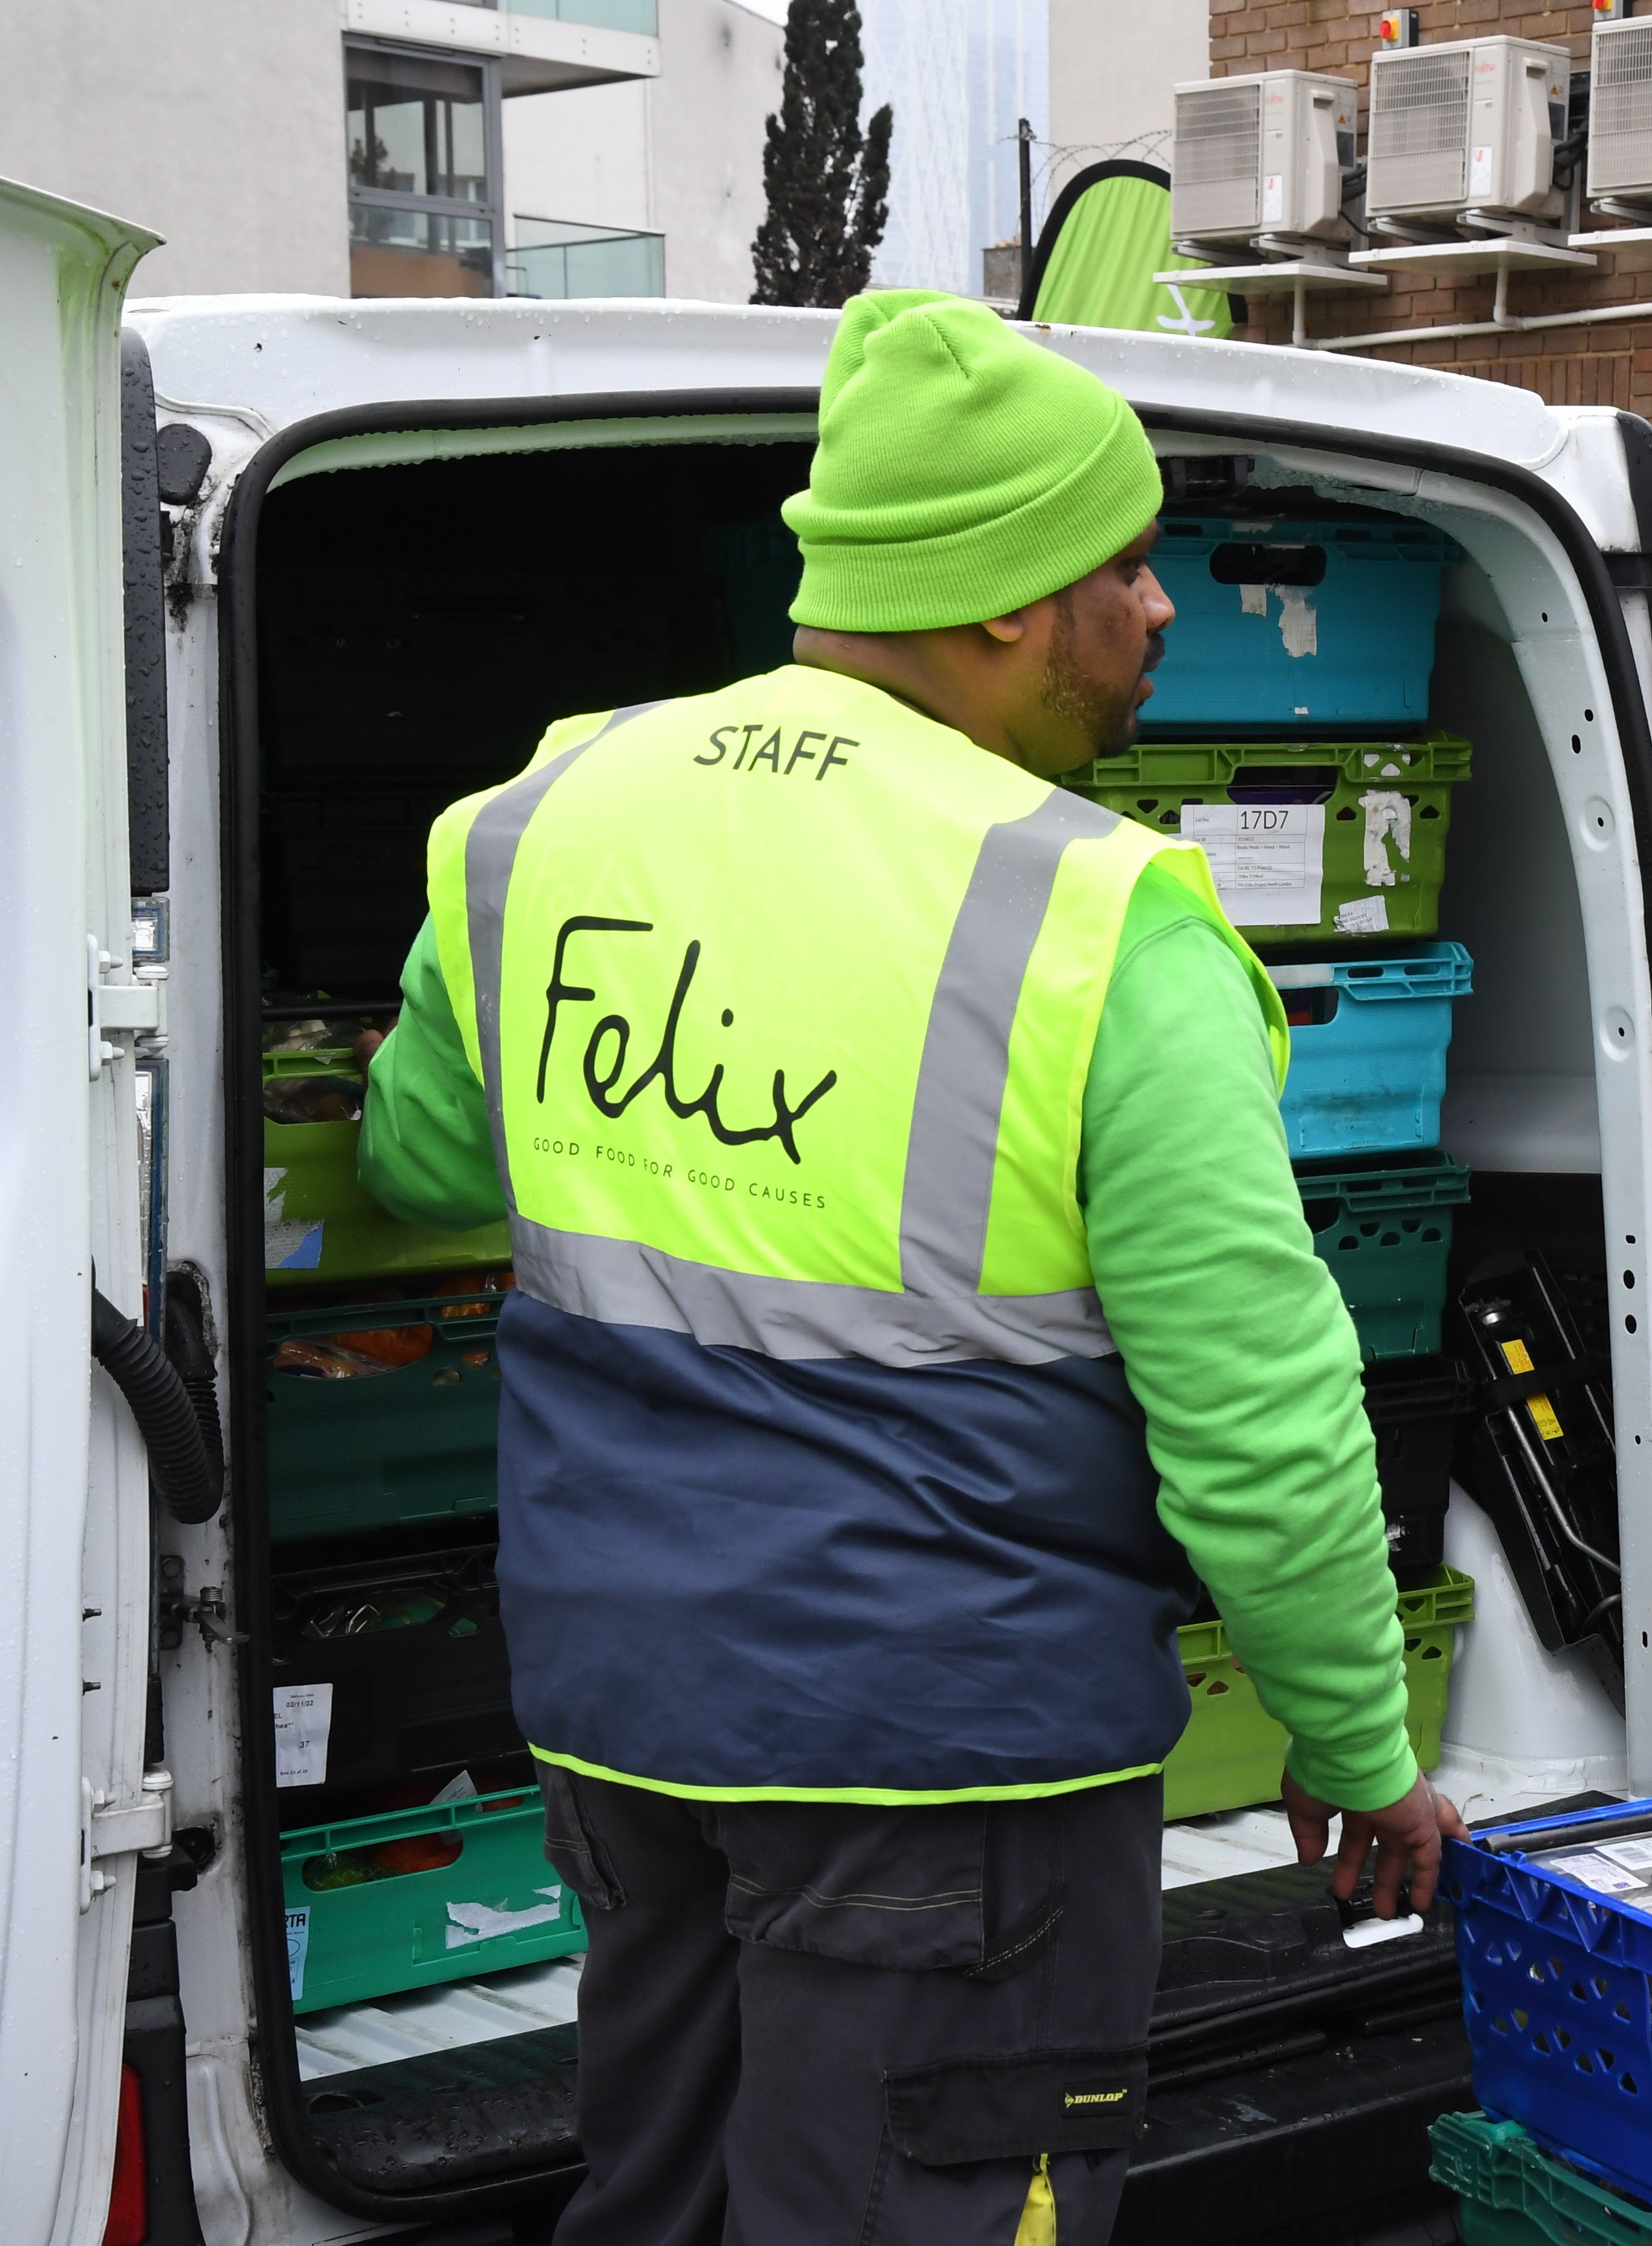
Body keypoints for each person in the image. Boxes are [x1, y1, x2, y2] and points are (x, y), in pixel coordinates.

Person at [356, 290, 1463, 2245]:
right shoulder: (1102, 921)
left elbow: (425, 1153)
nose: (1165, 610)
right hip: (951, 1770)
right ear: (1004, 607)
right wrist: (1362, 1751)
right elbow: (1260, 1421)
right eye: (1128, 566)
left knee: (666, 2199)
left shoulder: (541, 816)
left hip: (628, 1714)